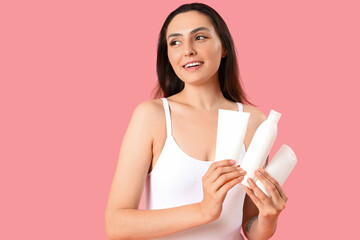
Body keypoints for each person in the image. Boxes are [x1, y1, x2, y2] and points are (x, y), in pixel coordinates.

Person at [105, 3, 288, 240]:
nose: (188, 50)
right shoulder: (153, 116)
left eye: (199, 37)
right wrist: (203, 210)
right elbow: (116, 225)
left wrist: (269, 217)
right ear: (168, 55)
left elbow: (249, 228)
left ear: (223, 47)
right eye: (175, 42)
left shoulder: (254, 122)